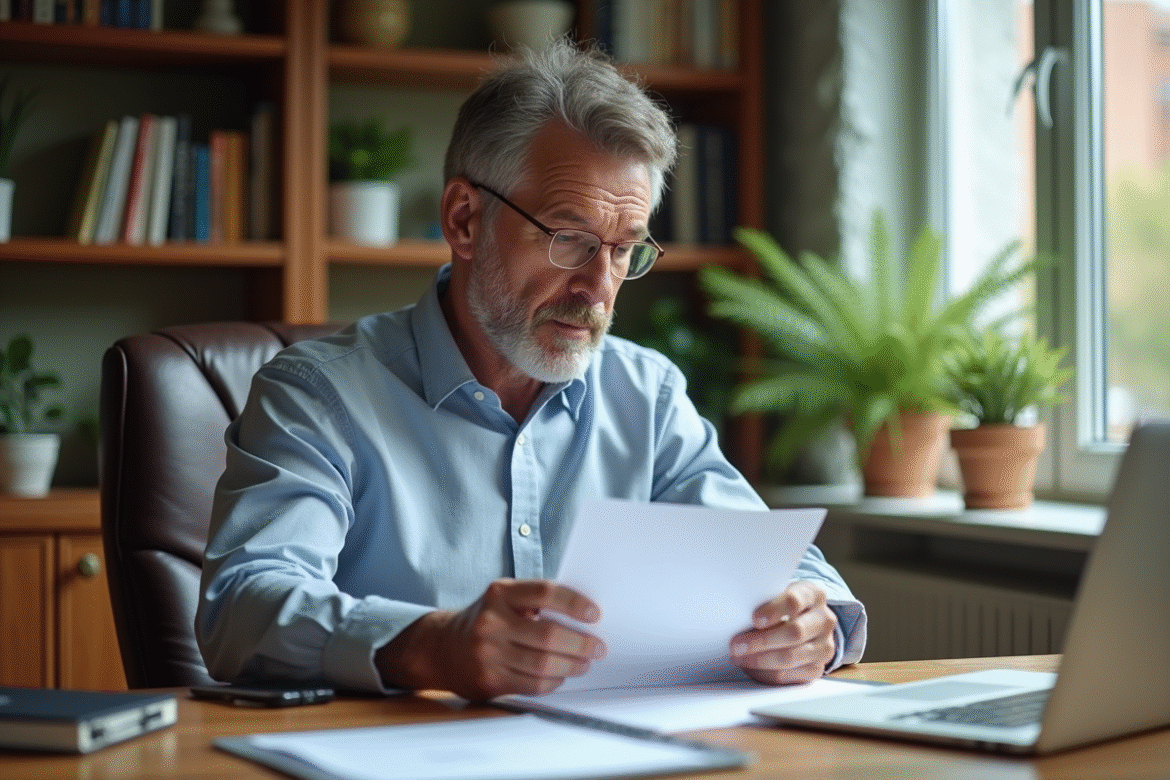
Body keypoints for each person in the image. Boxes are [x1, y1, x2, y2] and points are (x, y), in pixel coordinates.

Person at [196, 39, 866, 701]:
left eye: (625, 251)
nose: (598, 287)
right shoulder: (319, 396)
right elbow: (242, 607)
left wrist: (815, 621)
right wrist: (432, 646)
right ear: (464, 219)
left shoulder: (647, 397)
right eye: (568, 239)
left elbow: (770, 564)